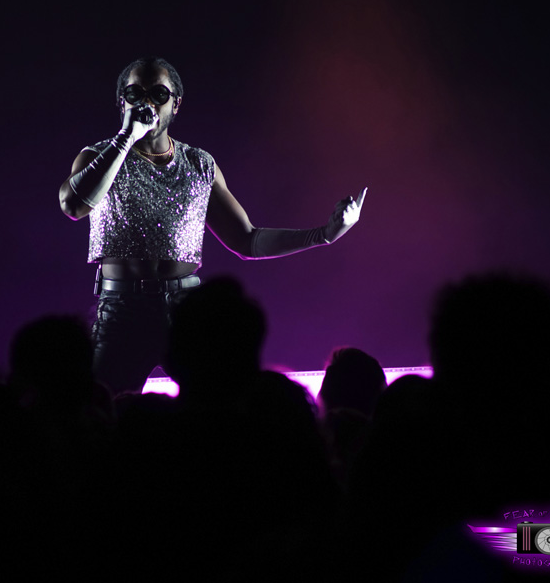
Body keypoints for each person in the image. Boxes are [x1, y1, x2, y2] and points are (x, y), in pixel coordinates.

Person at [59, 56, 367, 394]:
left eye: (159, 94)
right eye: (135, 94)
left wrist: (323, 235)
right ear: (122, 103)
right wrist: (126, 138)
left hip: (187, 310)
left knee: (218, 407)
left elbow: (247, 240)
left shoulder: (199, 165)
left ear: (176, 104)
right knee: (103, 407)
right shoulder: (98, 156)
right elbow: (74, 206)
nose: (147, 103)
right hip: (123, 313)